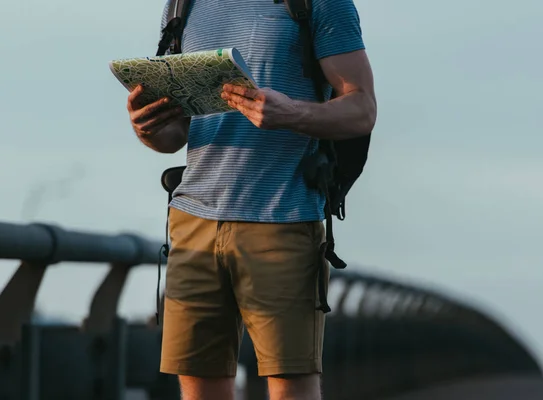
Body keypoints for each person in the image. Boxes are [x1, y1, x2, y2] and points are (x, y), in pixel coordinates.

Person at [126, 0, 376, 399]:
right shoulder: (181, 4)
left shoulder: (320, 3)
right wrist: (148, 128)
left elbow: (362, 109)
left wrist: (292, 113)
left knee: (291, 385)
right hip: (192, 224)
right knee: (198, 384)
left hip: (283, 219)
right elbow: (177, 136)